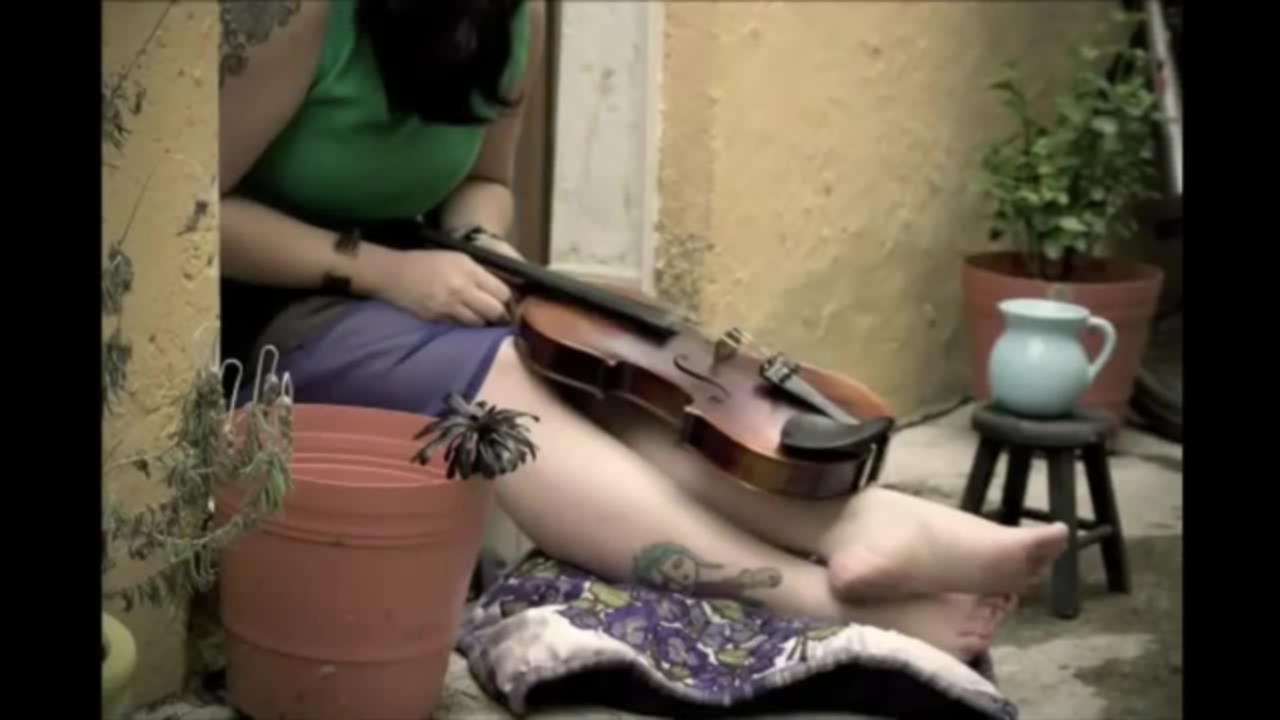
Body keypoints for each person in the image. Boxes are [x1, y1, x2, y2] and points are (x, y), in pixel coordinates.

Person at [219, 0, 1069, 663]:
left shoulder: (511, 14)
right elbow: (199, 214)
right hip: (271, 308)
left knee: (604, 378)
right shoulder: (307, 14)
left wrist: (484, 242)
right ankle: (819, 598)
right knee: (503, 390)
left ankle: (858, 528)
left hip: (428, 274)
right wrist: (381, 272)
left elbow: (486, 181)